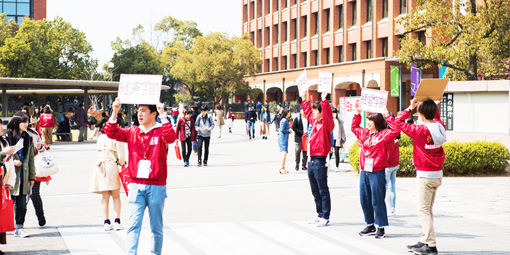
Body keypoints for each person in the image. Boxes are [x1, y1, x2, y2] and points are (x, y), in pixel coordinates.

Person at [104, 98, 176, 255]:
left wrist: (164, 115)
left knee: (156, 227)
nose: (139, 114)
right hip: (136, 185)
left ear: (153, 113)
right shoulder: (133, 132)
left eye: (144, 111)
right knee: (133, 225)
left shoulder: (161, 130)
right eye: (138, 111)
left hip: (157, 185)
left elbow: (171, 138)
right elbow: (111, 132)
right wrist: (115, 111)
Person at [397, 98, 446, 255]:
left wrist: (408, 108)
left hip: (425, 175)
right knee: (428, 209)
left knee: (423, 210)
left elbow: (397, 123)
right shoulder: (439, 127)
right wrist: (433, 107)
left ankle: (430, 245)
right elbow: (436, 118)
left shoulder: (420, 130)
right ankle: (425, 239)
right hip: (436, 174)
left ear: (421, 113)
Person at [351, 108, 400, 239]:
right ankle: (370, 224)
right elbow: (354, 127)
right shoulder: (365, 133)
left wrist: (387, 115)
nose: (367, 123)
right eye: (367, 120)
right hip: (364, 171)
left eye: (370, 121)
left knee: (377, 199)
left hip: (377, 171)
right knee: (364, 199)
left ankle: (381, 226)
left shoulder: (384, 134)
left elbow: (396, 131)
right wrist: (357, 113)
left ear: (376, 122)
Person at [302, 91, 334, 227]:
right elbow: (307, 113)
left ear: (322, 112)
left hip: (321, 160)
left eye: (316, 111)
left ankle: (325, 216)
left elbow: (328, 114)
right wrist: (304, 99)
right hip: (311, 160)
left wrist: (324, 101)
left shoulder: (327, 124)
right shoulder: (314, 122)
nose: (313, 113)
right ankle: (319, 214)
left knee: (322, 189)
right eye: (314, 111)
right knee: (315, 190)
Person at [90, 121, 126, 231]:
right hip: (111, 166)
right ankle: (117, 221)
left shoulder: (100, 138)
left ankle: (106, 221)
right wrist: (121, 163)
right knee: (116, 195)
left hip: (100, 166)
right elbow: (121, 157)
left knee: (104, 197)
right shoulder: (117, 138)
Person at [6, 113, 37, 238]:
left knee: (22, 204)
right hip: (10, 176)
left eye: (27, 121)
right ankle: (7, 226)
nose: (26, 124)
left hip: (24, 175)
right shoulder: (8, 137)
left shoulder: (28, 137)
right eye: (24, 122)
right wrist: (12, 161)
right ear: (16, 123)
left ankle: (19, 227)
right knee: (8, 203)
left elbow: (30, 159)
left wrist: (32, 177)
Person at [0, 118, 16, 249]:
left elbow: (9, 163)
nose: (1, 128)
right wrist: (3, 154)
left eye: (1, 125)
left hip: (2, 183)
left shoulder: (3, 141)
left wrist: (10, 182)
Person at [385, 112, 400, 217]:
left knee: (385, 188)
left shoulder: (387, 134)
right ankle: (393, 209)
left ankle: (389, 210)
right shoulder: (397, 135)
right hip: (395, 163)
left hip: (387, 164)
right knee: (392, 188)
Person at [277, 108, 292, 174]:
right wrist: (288, 131)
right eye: (289, 112)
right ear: (287, 113)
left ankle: (283, 167)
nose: (290, 113)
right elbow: (282, 130)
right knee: (284, 153)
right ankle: (281, 168)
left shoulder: (285, 119)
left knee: (285, 153)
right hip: (283, 138)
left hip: (284, 138)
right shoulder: (284, 120)